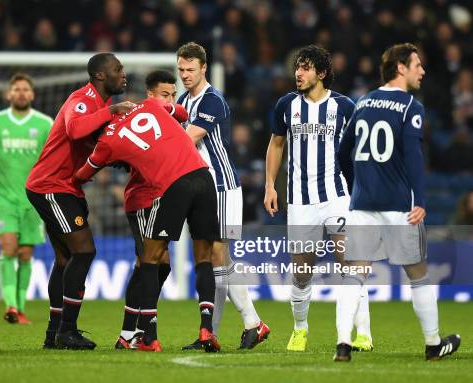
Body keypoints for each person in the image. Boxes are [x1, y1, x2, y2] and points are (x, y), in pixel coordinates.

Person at [335, 43, 461, 362]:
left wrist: (355, 187)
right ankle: (433, 344)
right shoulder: (409, 106)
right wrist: (419, 199)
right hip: (398, 205)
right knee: (418, 274)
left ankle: (343, 344)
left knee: (354, 274)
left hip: (362, 204)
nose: (423, 71)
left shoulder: (363, 102)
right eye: (417, 64)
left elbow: (342, 153)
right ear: (400, 67)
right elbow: (413, 157)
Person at [75, 97, 220, 352]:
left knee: (150, 259)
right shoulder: (149, 105)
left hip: (173, 185)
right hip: (203, 176)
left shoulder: (106, 141)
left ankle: (149, 336)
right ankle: (206, 329)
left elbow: (84, 173)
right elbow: (182, 112)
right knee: (204, 258)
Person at [264, 45, 373, 352]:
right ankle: (300, 329)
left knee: (349, 263)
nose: (298, 72)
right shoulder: (286, 105)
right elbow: (275, 144)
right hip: (299, 200)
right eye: (298, 66)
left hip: (337, 196)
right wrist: (270, 186)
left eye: (306, 67)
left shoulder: (345, 107)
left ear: (322, 73)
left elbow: (360, 151)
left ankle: (362, 332)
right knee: (301, 271)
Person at [25, 53, 136, 350]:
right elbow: (75, 128)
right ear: (100, 75)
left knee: (65, 259)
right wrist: (113, 111)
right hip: (51, 186)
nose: (123, 74)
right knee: (84, 251)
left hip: (66, 188)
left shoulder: (97, 106)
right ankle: (67, 331)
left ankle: (54, 334)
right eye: (117, 69)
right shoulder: (84, 99)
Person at [176, 42, 269, 350]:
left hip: (222, 187)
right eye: (181, 70)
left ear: (204, 68)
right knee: (211, 260)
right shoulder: (182, 100)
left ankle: (252, 322)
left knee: (218, 256)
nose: (185, 75)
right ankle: (212, 333)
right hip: (200, 189)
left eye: (190, 69)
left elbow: (186, 139)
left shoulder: (212, 100)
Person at [115, 69, 188, 349]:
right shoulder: (137, 118)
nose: (170, 100)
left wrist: (168, 106)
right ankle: (138, 332)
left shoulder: (165, 116)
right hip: (142, 199)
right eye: (164, 95)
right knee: (152, 262)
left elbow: (182, 112)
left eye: (172, 94)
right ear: (150, 95)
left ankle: (128, 333)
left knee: (156, 265)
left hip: (162, 199)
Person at [0, 73, 53, 324]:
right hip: (4, 198)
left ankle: (21, 308)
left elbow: (52, 159)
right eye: (16, 89)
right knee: (8, 248)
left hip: (34, 199)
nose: (20, 93)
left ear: (32, 94)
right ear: (8, 94)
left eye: (25, 89)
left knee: (26, 254)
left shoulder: (44, 123)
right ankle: (11, 307)